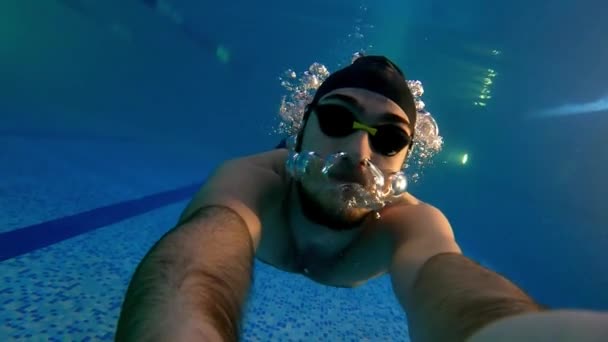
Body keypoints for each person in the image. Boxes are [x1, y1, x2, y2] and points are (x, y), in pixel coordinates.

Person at [114, 56, 608, 341]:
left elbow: (455, 285)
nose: (357, 151)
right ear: (302, 128)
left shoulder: (409, 221)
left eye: (389, 138)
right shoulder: (251, 181)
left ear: (405, 160)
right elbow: (195, 262)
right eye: (336, 120)